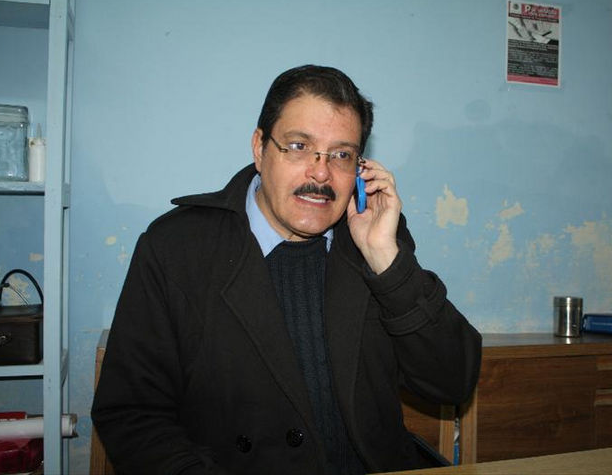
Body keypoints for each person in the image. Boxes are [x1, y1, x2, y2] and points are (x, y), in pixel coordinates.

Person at [91, 65, 482, 475]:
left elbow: (452, 381)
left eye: (341, 155)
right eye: (298, 146)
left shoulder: (376, 240)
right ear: (260, 149)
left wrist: (386, 260)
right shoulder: (177, 247)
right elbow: (131, 414)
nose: (321, 172)